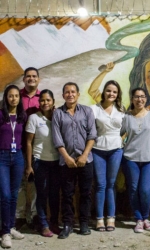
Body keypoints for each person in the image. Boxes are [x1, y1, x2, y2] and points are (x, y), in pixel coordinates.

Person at [52, 82, 97, 239]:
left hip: (86, 160)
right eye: (67, 92)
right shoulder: (58, 113)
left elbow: (92, 135)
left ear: (78, 94)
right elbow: (57, 138)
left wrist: (84, 155)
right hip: (66, 162)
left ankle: (84, 223)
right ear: (63, 95)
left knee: (85, 193)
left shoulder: (87, 111)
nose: (70, 94)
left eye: (73, 92)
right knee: (67, 194)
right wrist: (67, 158)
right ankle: (67, 224)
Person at [120, 87, 150, 233]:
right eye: (136, 97)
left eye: (142, 96)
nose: (139, 99)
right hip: (130, 158)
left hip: (149, 159)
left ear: (146, 98)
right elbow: (120, 134)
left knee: (145, 190)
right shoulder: (126, 117)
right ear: (132, 99)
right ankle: (138, 219)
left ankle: (146, 218)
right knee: (133, 189)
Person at [25, 89, 61, 237]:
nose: (45, 103)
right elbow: (28, 142)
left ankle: (54, 222)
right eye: (42, 100)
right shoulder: (34, 118)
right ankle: (43, 224)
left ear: (53, 102)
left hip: (57, 162)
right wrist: (29, 165)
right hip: (40, 161)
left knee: (54, 195)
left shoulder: (59, 117)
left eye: (48, 100)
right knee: (42, 194)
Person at [90, 80, 125, 232]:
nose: (111, 94)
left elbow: (126, 129)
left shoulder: (121, 109)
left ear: (118, 94)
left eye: (115, 92)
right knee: (100, 185)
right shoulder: (94, 109)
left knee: (111, 185)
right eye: (109, 91)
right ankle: (99, 219)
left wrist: (121, 140)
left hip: (116, 150)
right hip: (97, 150)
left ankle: (110, 218)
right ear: (104, 92)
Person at [0, 85, 27, 248]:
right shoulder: (1, 115)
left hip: (17, 156)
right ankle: (5, 233)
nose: (14, 98)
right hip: (2, 156)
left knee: (14, 195)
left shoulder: (22, 116)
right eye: (11, 96)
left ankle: (10, 226)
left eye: (16, 96)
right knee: (5, 195)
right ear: (6, 98)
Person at [16, 67, 41, 229]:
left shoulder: (43, 97)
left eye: (34, 76)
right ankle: (19, 217)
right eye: (28, 76)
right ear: (24, 79)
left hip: (38, 146)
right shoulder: (17, 96)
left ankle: (34, 215)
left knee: (35, 182)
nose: (31, 78)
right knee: (20, 183)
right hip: (18, 145)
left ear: (38, 79)